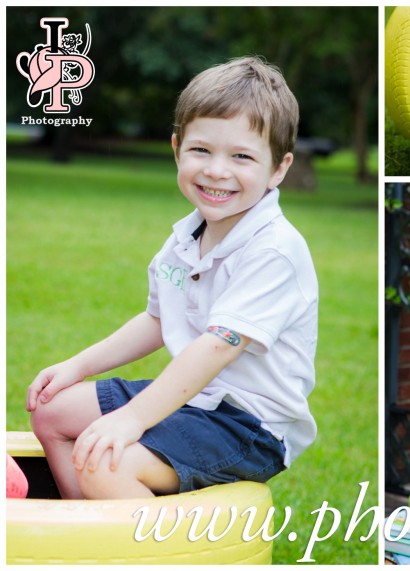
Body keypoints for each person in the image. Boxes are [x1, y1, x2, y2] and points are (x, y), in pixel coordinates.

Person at [25, 56, 318, 500]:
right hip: (193, 402)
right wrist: (76, 367)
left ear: (278, 168)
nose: (217, 170)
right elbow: (158, 320)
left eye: (241, 156)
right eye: (201, 150)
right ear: (177, 148)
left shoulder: (274, 249)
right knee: (53, 413)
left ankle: (139, 546)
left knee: (104, 462)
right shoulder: (185, 238)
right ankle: (85, 528)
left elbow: (217, 346)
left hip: (247, 425)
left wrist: (132, 418)